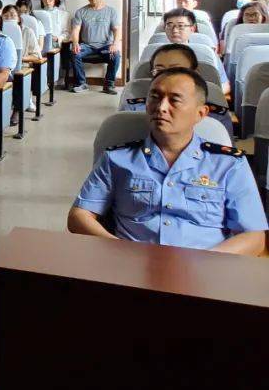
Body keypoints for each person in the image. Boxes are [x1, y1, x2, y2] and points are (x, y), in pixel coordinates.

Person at [68, 68, 266, 254]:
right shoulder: (117, 159)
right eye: (155, 97)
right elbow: (79, 216)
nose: (161, 107)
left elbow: (254, 237)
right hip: (131, 268)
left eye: (174, 100)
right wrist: (118, 250)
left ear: (201, 113)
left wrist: (207, 262)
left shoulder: (228, 164)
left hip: (203, 272)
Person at [160, 7, 229, 95]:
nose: (174, 30)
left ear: (192, 29)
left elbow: (225, 85)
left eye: (181, 26)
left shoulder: (207, 53)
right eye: (169, 25)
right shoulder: (156, 54)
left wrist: (206, 97)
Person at [70, 0, 121, 94]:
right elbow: (75, 30)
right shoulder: (81, 12)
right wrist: (75, 43)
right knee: (75, 53)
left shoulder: (111, 11)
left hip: (105, 46)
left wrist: (115, 44)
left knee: (116, 55)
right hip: (87, 46)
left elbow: (117, 30)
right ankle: (81, 83)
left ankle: (109, 85)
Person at [121, 44, 197, 112]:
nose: (166, 76)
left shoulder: (205, 113)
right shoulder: (134, 108)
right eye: (159, 70)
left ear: (194, 73)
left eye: (175, 70)